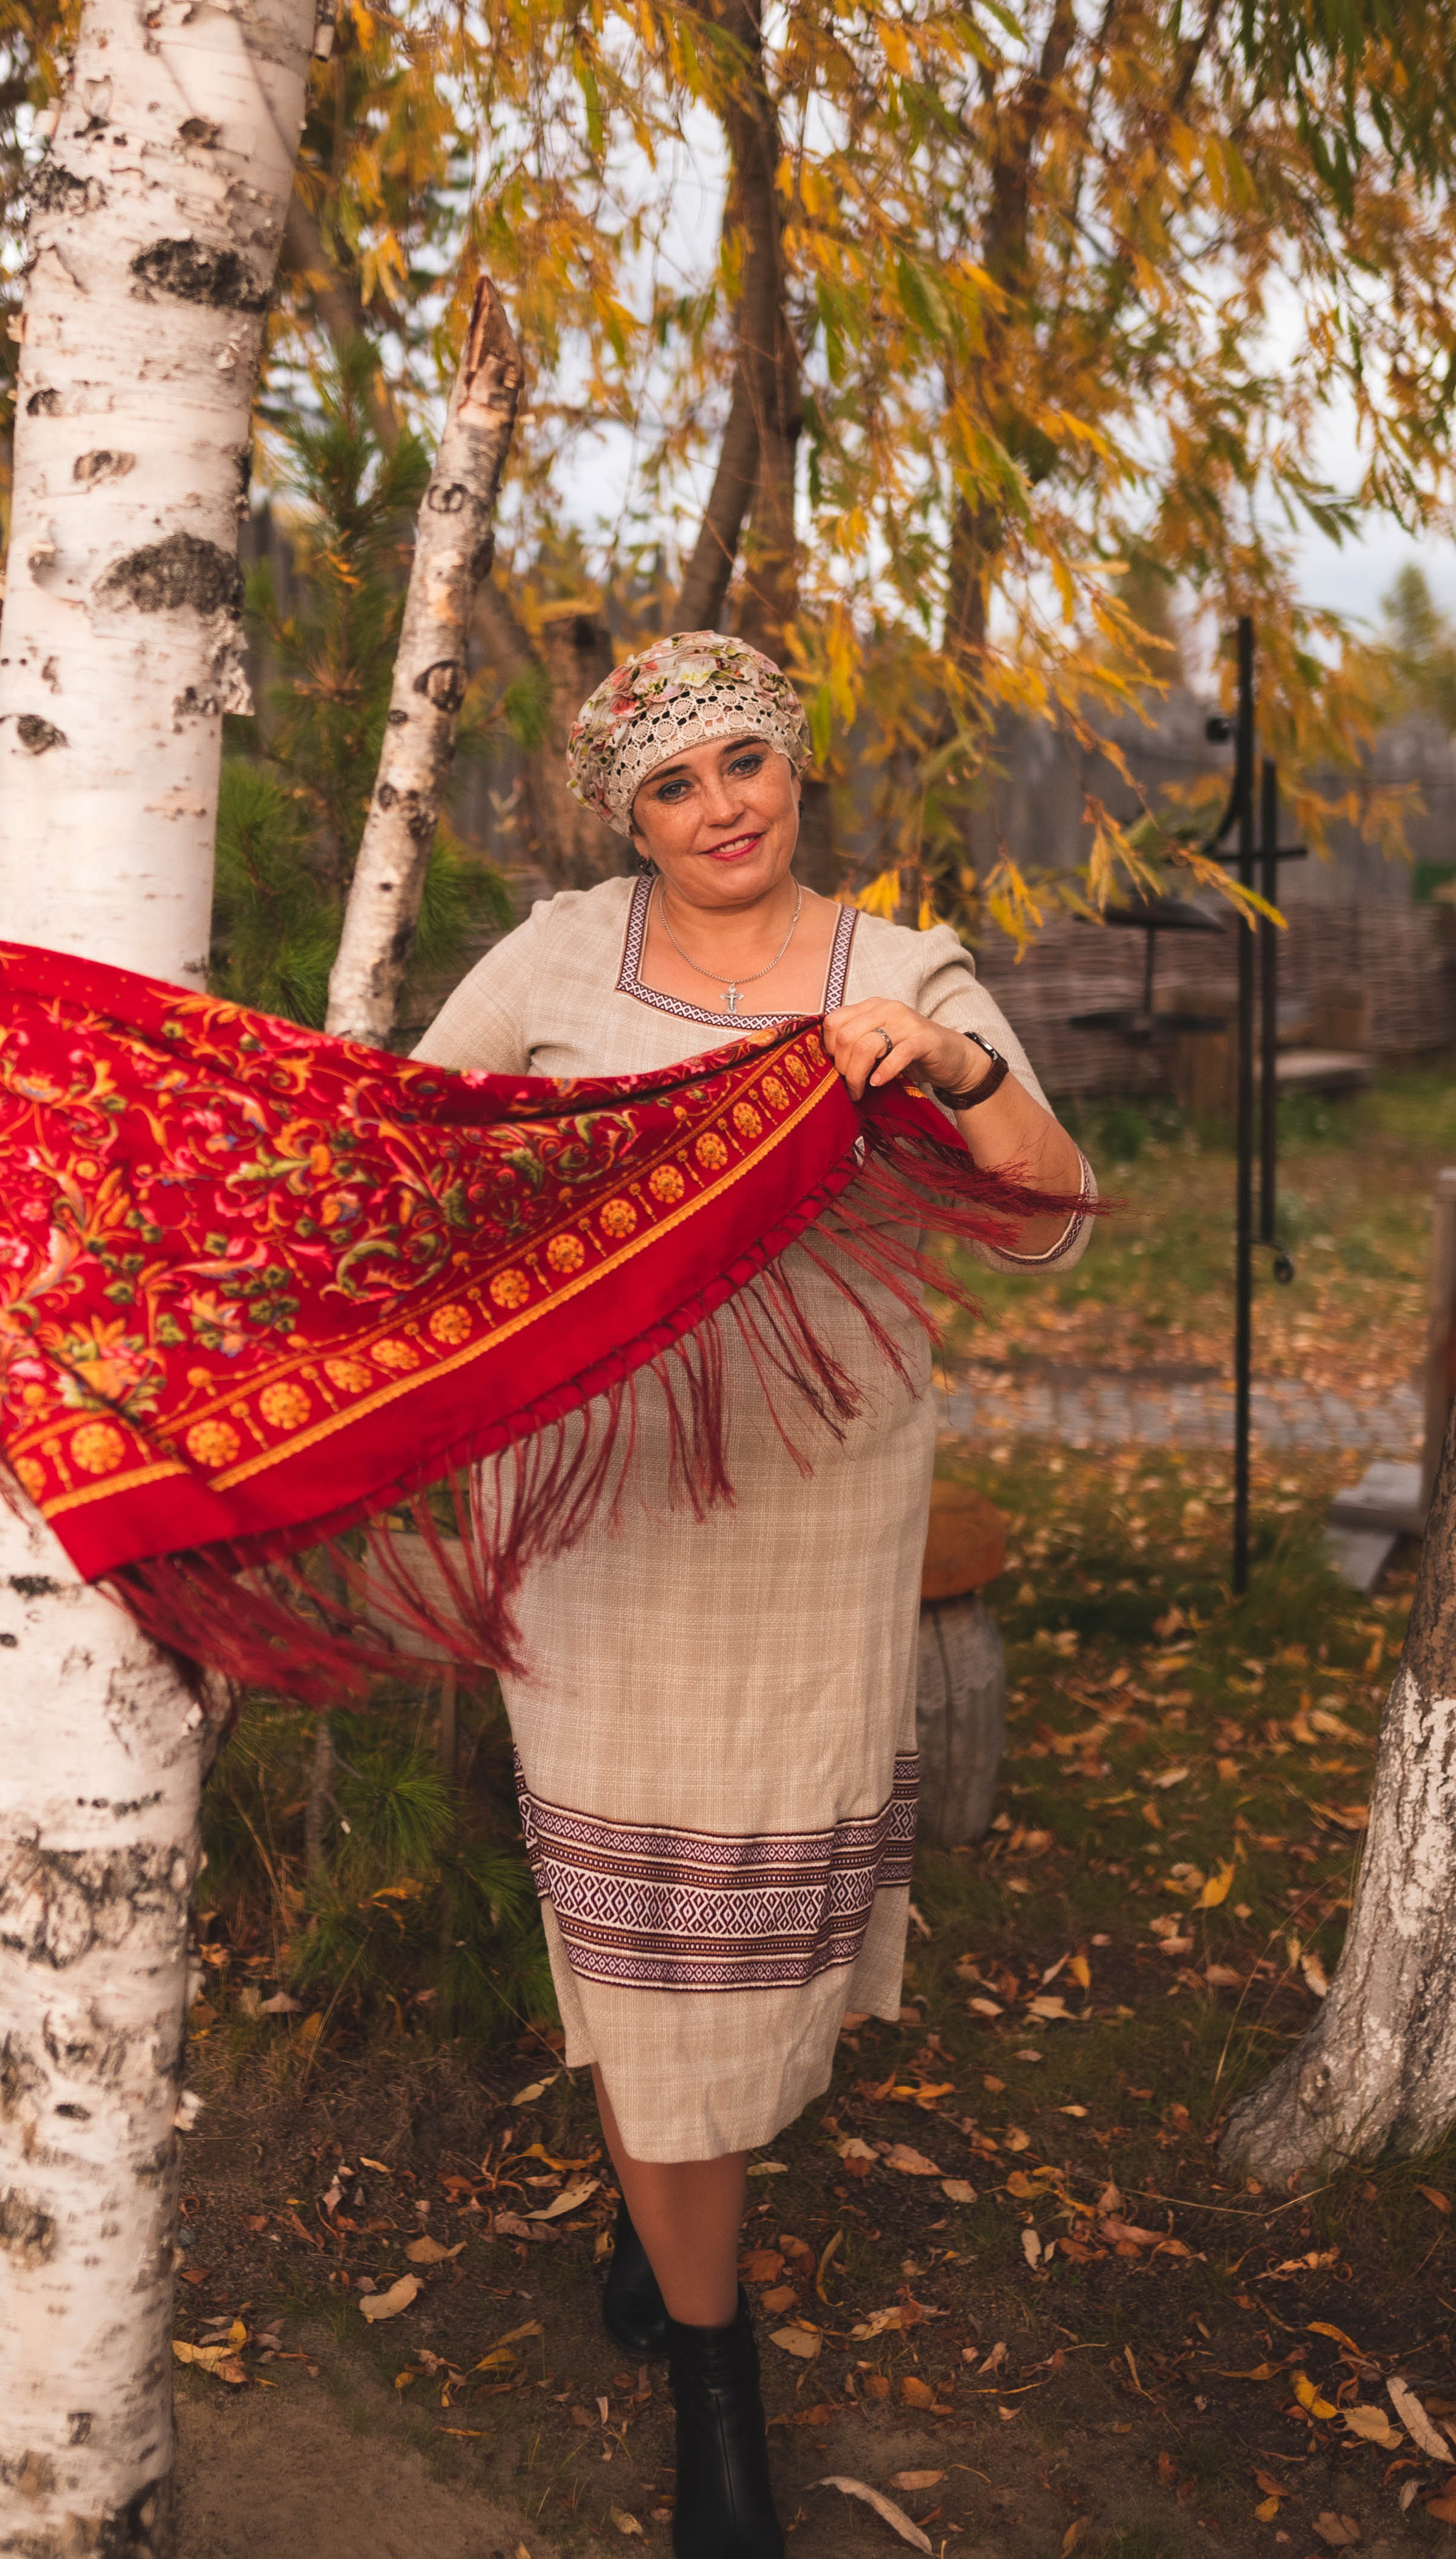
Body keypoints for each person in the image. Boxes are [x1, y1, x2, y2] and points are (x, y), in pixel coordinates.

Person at [415, 633, 1092, 2559]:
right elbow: (412, 1161)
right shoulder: (556, 963)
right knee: (644, 1943)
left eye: (746, 763)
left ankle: (661, 2239)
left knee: (752, 1936)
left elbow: (1051, 1216)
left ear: (794, 768)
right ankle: (719, 2385)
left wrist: (955, 1068)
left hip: (815, 1519)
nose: (723, 807)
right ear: (625, 818)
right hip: (600, 1520)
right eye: (675, 783)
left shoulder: (900, 972)